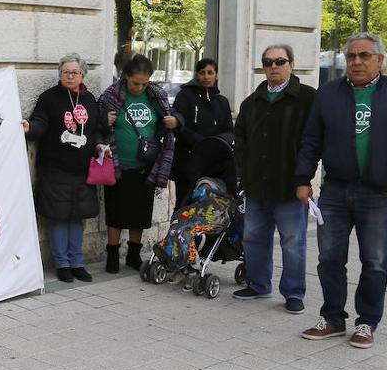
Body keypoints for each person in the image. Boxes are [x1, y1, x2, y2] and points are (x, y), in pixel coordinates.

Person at [296, 32, 387, 349]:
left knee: (375, 261)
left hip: (379, 194)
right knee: (329, 258)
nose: (356, 62)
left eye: (364, 55)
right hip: (335, 192)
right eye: (351, 56)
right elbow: (311, 140)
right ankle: (332, 319)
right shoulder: (328, 94)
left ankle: (367, 322)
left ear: (380, 59)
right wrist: (303, 179)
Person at [232, 45, 316, 313]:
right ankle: (258, 284)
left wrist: (305, 178)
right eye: (268, 62)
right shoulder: (252, 102)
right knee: (253, 238)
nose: (273, 67)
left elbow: (313, 142)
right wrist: (244, 172)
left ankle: (293, 292)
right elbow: (240, 140)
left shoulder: (307, 98)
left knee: (293, 242)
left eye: (280, 61)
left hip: (291, 186)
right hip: (257, 185)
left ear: (292, 64)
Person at [25, 55, 109, 283]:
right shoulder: (49, 98)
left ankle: (77, 263)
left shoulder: (89, 99)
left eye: (75, 72)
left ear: (83, 75)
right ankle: (62, 264)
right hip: (55, 168)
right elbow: (40, 122)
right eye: (66, 72)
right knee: (58, 217)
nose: (70, 76)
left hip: (82, 170)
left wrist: (100, 145)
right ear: (60, 74)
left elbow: (95, 130)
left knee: (77, 218)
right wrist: (29, 127)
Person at [97, 54, 179, 273]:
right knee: (115, 213)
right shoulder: (111, 96)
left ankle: (134, 255)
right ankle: (112, 255)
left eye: (144, 83)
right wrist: (104, 121)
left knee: (140, 214)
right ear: (126, 76)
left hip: (146, 166)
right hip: (118, 164)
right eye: (135, 83)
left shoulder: (156, 95)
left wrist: (175, 121)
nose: (140, 87)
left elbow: (169, 119)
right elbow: (96, 125)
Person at [170, 58, 233, 203]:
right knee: (184, 206)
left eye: (210, 73)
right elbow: (180, 128)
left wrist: (218, 143)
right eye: (202, 72)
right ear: (196, 75)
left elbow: (230, 130)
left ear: (216, 75)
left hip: (214, 165)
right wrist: (204, 143)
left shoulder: (222, 101)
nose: (206, 76)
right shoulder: (185, 96)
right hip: (188, 164)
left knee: (210, 207)